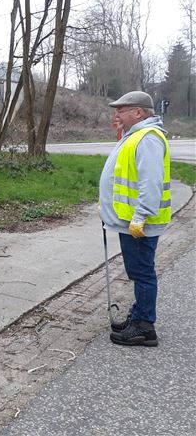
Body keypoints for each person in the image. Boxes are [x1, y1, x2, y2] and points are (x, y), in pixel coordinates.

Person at [99, 90, 170, 347]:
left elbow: (150, 183)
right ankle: (139, 315)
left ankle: (144, 326)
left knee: (142, 272)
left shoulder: (148, 139)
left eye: (121, 110)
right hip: (130, 220)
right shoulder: (135, 135)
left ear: (138, 112)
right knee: (138, 270)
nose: (116, 114)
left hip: (139, 223)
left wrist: (140, 216)